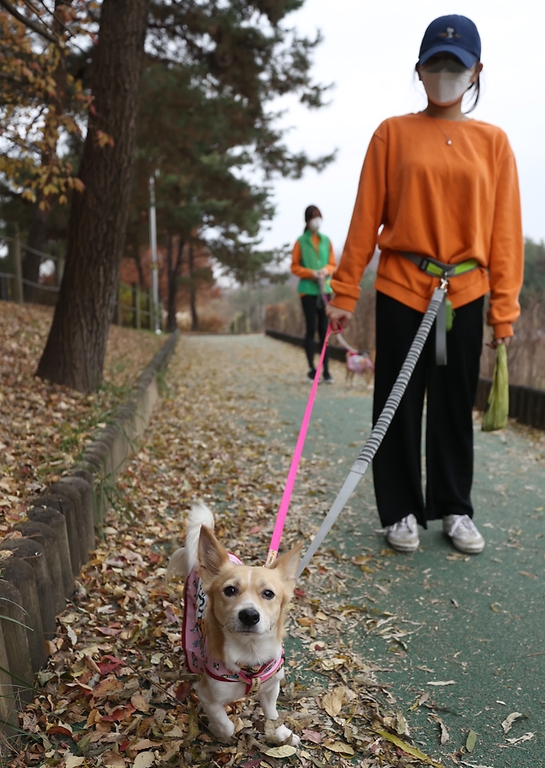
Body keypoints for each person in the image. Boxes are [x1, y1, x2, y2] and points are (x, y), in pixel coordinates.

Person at [326, 15, 523, 554]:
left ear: (476, 71)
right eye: (434, 63)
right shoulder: (392, 133)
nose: (444, 73)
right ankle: (399, 511)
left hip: (465, 291)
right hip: (402, 287)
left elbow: (504, 234)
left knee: (456, 403)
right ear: (419, 69)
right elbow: (365, 218)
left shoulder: (495, 143)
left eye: (455, 65)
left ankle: (455, 508)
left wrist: (503, 311)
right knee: (397, 402)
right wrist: (345, 293)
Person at [291, 205, 337, 383]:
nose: (316, 221)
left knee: (324, 330)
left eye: (319, 217)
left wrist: (325, 271)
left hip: (325, 290)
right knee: (311, 329)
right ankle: (312, 368)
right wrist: (311, 273)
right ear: (307, 220)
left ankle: (326, 370)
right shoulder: (300, 241)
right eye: (313, 217)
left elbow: (332, 263)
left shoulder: (327, 240)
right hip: (308, 291)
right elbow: (294, 266)